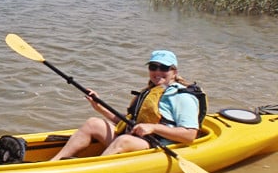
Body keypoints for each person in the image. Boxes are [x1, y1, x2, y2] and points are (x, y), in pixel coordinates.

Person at [51, 50, 200, 161]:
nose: (157, 72)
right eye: (153, 67)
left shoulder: (182, 97)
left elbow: (189, 135)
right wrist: (99, 107)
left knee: (123, 140)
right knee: (93, 123)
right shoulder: (149, 92)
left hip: (159, 145)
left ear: (174, 72)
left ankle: (90, 172)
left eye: (164, 68)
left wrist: (153, 128)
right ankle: (54, 163)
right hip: (137, 138)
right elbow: (127, 122)